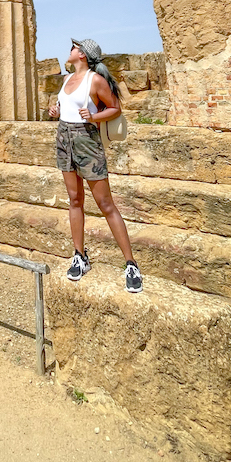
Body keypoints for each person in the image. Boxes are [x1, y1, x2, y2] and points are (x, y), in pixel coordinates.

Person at [48, 38, 143, 292]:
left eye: (73, 47)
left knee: (106, 204)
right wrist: (55, 111)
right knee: (74, 199)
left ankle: (131, 264)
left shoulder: (95, 80)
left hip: (86, 140)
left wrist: (94, 116)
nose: (69, 50)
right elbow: (63, 107)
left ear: (82, 54)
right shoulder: (67, 80)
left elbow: (115, 108)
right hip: (64, 138)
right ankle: (79, 256)